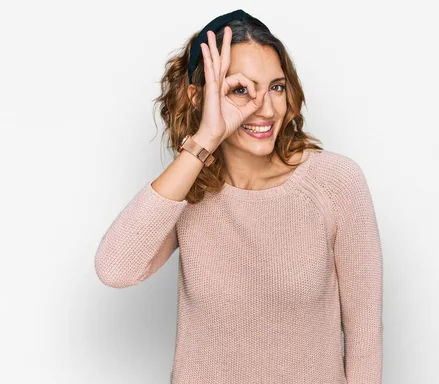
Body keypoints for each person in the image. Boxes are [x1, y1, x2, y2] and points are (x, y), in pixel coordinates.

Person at [95, 9, 383, 384]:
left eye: (276, 87)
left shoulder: (336, 182)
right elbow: (116, 269)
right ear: (198, 97)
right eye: (239, 90)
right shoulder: (188, 191)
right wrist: (204, 141)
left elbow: (364, 343)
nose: (264, 108)